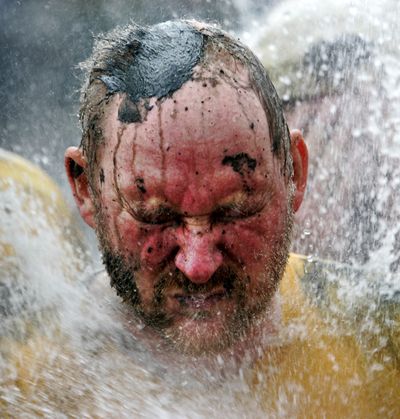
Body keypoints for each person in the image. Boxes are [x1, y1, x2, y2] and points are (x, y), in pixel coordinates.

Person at [61, 19, 399, 415]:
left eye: (235, 209)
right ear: (86, 190)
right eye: (156, 215)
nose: (198, 265)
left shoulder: (381, 343)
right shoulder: (23, 375)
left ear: (294, 173)